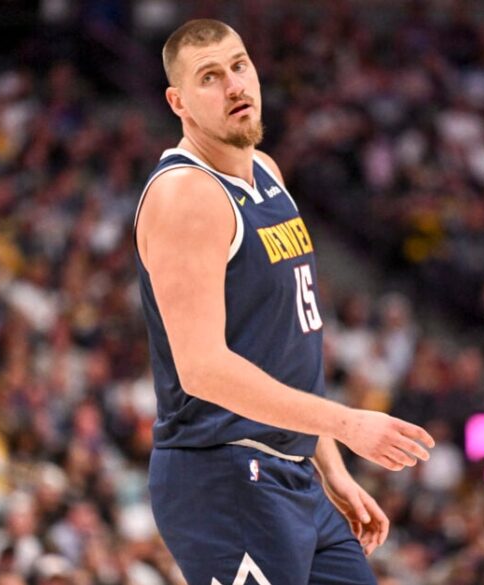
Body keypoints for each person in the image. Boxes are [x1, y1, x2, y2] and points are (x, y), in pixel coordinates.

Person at [133, 19, 436, 585]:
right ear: (178, 102)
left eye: (240, 66)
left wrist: (329, 466)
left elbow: (282, 352)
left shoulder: (267, 172)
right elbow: (202, 370)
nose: (234, 86)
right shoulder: (187, 197)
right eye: (210, 77)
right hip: (222, 475)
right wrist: (347, 423)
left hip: (291, 472)